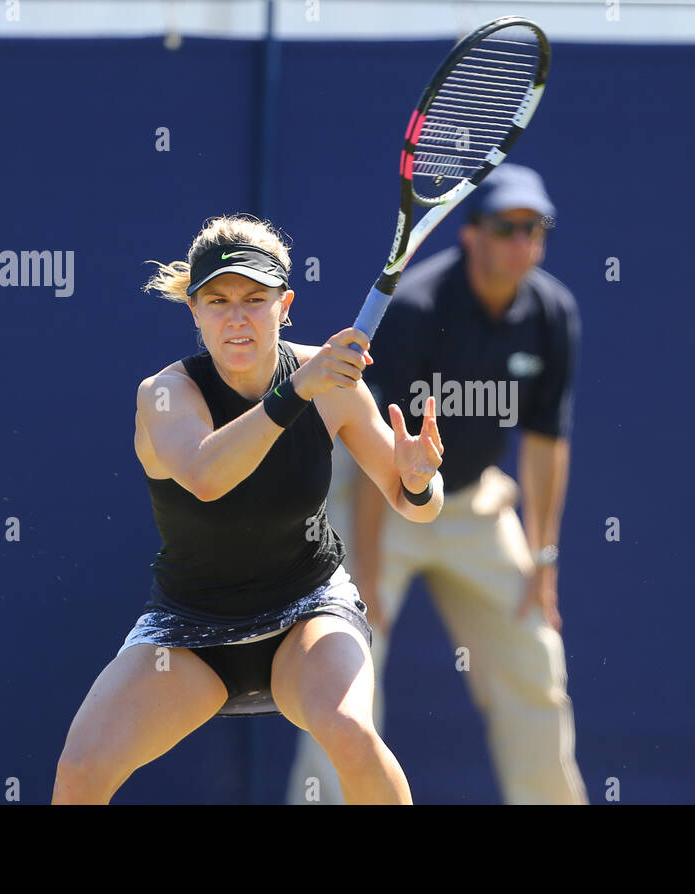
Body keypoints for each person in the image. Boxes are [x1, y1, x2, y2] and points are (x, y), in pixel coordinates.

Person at [51, 214, 444, 805]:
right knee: (80, 772)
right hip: (189, 635)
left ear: (285, 305)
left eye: (255, 300)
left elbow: (417, 506)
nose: (237, 317)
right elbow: (207, 476)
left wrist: (417, 480)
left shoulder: (329, 382)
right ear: (194, 310)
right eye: (218, 300)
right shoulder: (164, 394)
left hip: (309, 611)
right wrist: (296, 393)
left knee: (352, 734)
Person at [286, 165, 588, 804]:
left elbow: (543, 442)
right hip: (381, 495)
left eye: (535, 230)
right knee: (341, 680)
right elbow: (377, 441)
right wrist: (365, 569)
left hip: (477, 503)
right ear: (472, 235)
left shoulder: (552, 312)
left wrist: (543, 556)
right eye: (508, 228)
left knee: (536, 670)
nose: (523, 243)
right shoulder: (418, 308)